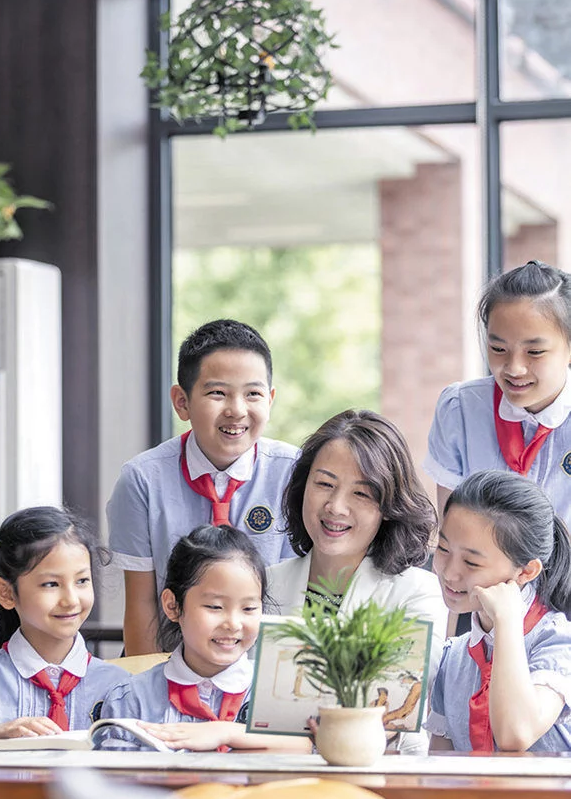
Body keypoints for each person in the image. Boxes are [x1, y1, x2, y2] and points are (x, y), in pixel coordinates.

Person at [107, 319, 299, 655]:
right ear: (182, 402)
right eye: (217, 393)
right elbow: (141, 606)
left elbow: (298, 598)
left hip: (262, 668)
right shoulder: (142, 480)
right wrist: (148, 685)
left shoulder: (294, 473)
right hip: (170, 668)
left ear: (270, 400)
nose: (236, 410)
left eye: (253, 394)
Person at [266, 410, 447, 685]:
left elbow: (404, 693)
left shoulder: (417, 593)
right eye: (325, 484)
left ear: (390, 506)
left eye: (361, 493)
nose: (336, 507)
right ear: (303, 487)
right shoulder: (265, 585)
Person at [0, 507, 126, 746]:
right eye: (51, 584)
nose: (71, 600)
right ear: (6, 593)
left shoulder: (120, 687)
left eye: (82, 580)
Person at [102, 524, 309, 752]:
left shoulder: (279, 692)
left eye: (249, 608)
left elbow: (305, 749)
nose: (233, 624)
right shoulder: (131, 698)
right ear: (173, 606)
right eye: (215, 607)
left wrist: (227, 733)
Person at [426, 470, 571, 753]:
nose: (450, 573)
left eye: (471, 563)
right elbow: (440, 764)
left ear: (526, 571)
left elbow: (515, 733)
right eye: (443, 548)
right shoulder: (454, 656)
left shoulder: (558, 643)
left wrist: (506, 620)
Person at [424, 260, 571, 525]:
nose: (514, 368)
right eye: (498, 349)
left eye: (534, 352)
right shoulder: (460, 410)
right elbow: (451, 532)